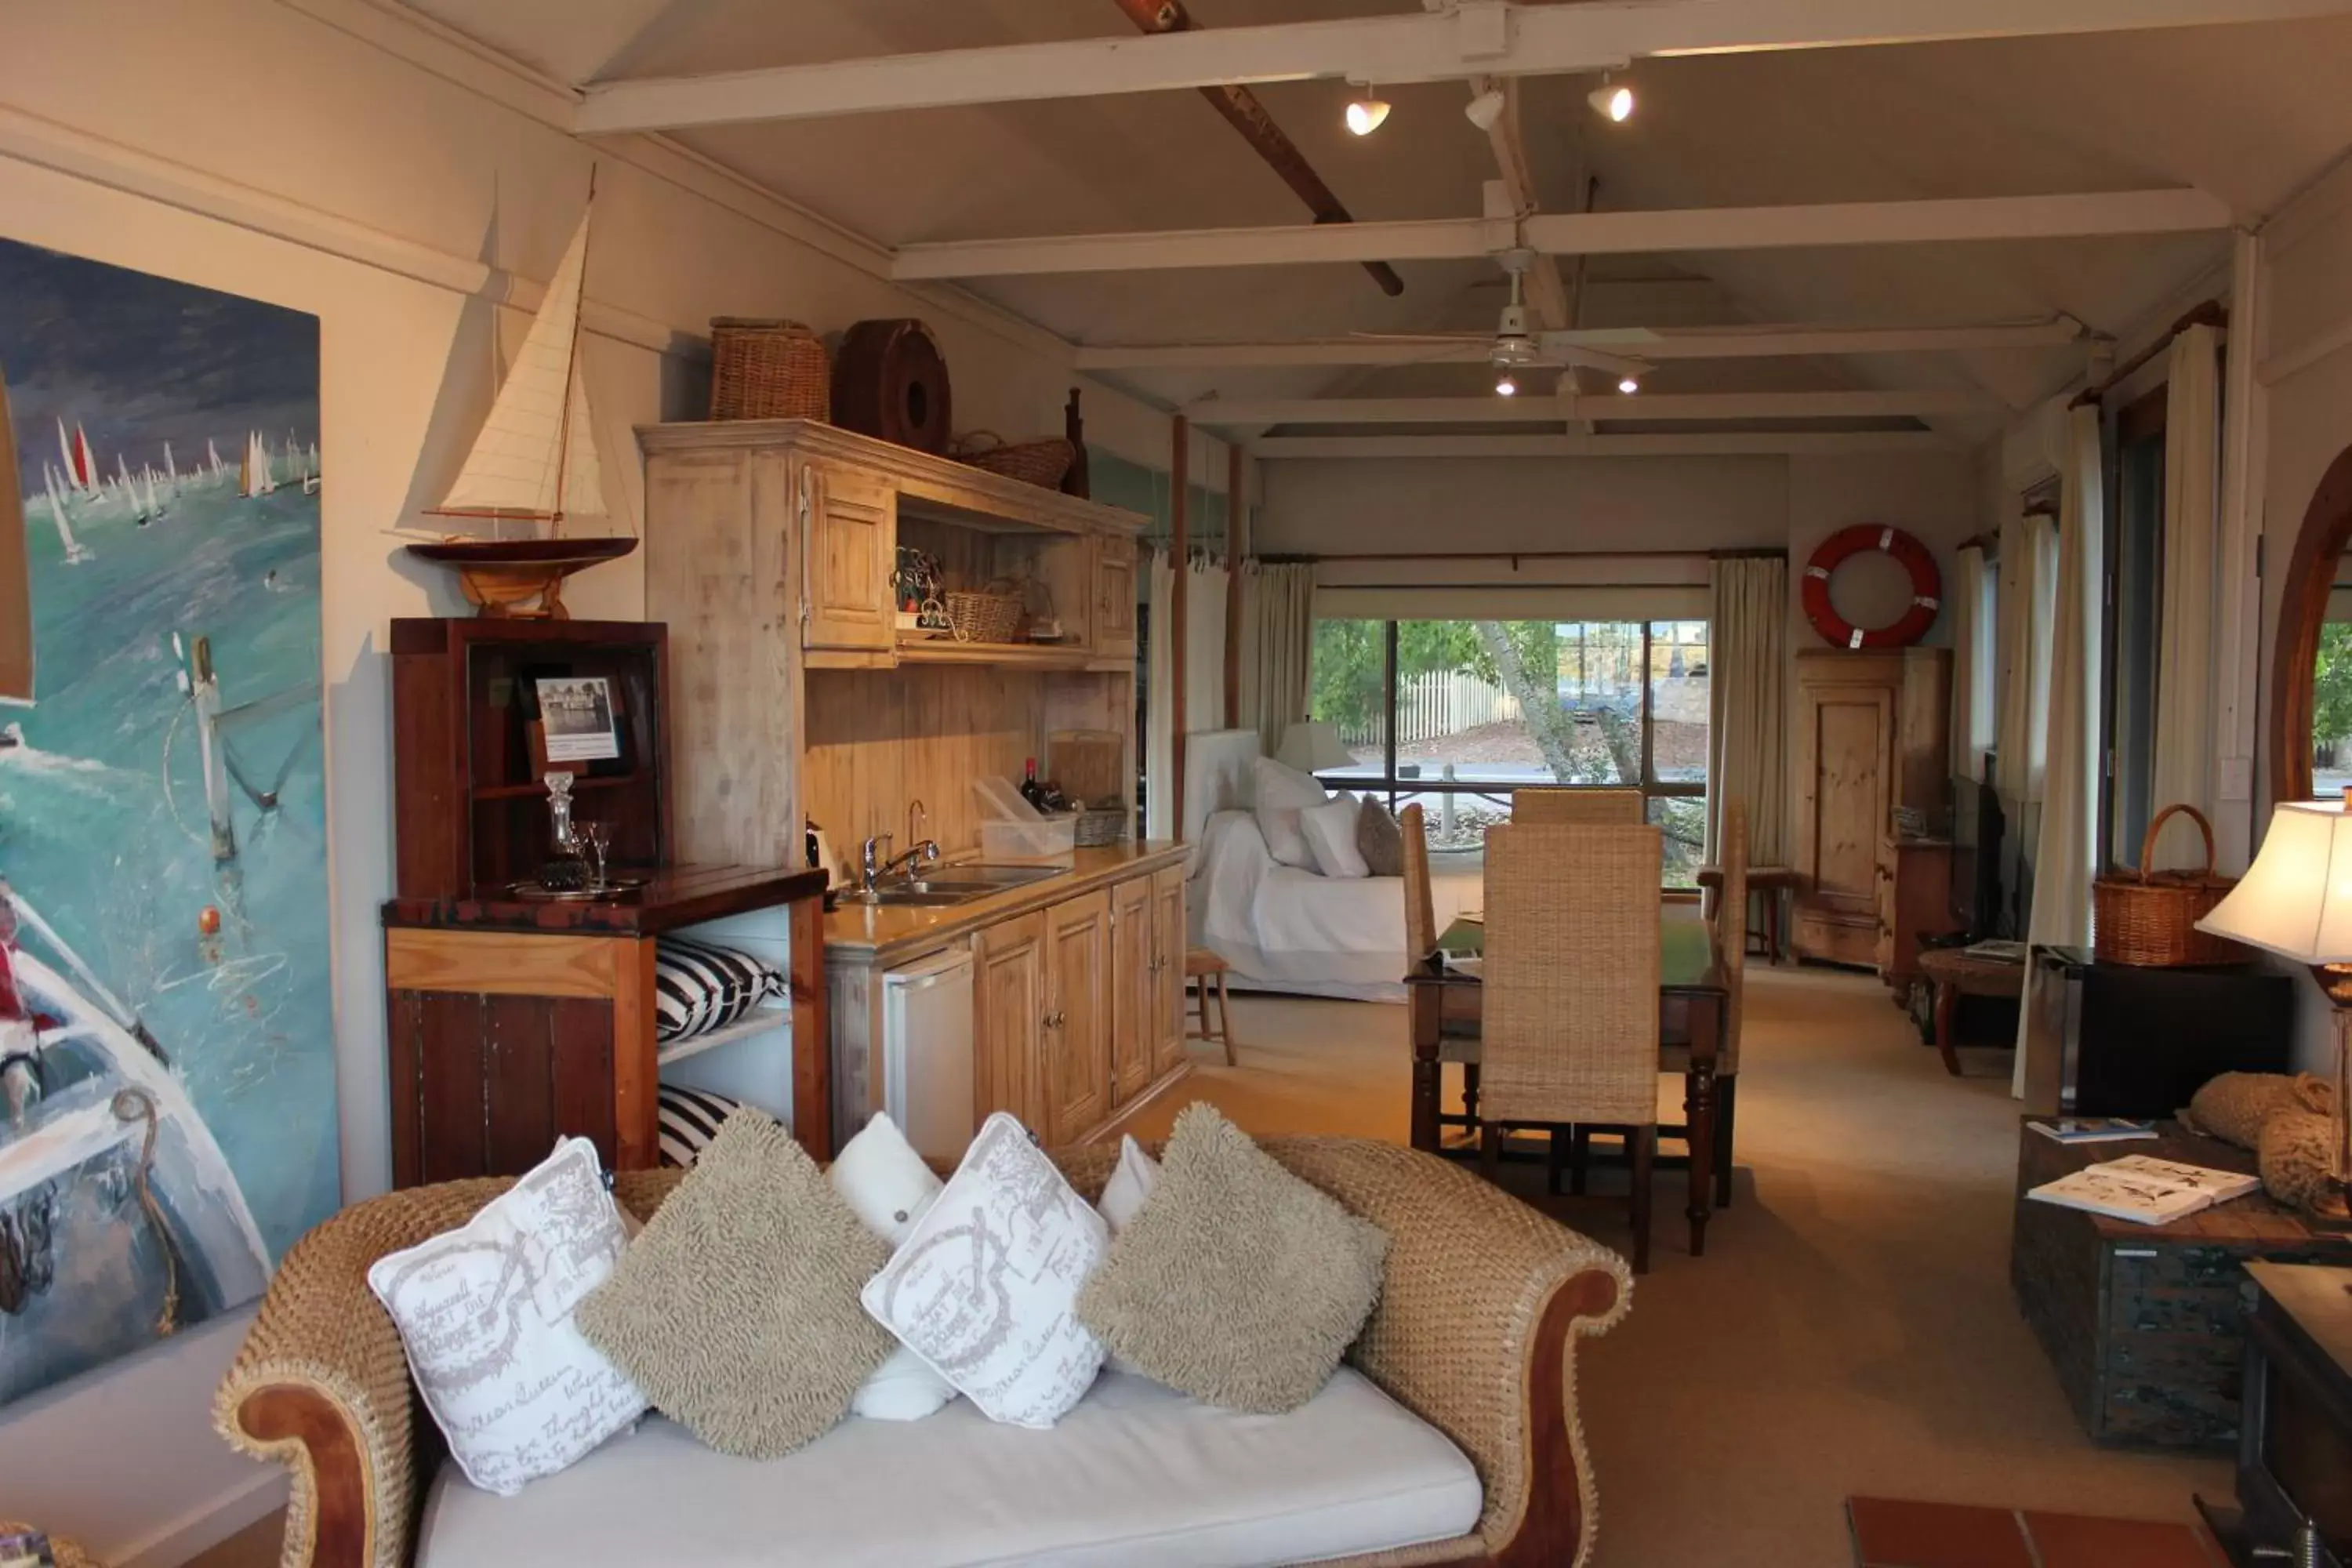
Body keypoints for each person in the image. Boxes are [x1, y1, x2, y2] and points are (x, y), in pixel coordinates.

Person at [0, 884, 46, 1127]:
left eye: (11, 900)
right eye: (3, 903)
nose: (12, 909)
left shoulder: (14, 952)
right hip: (9, 1045)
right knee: (20, 1079)